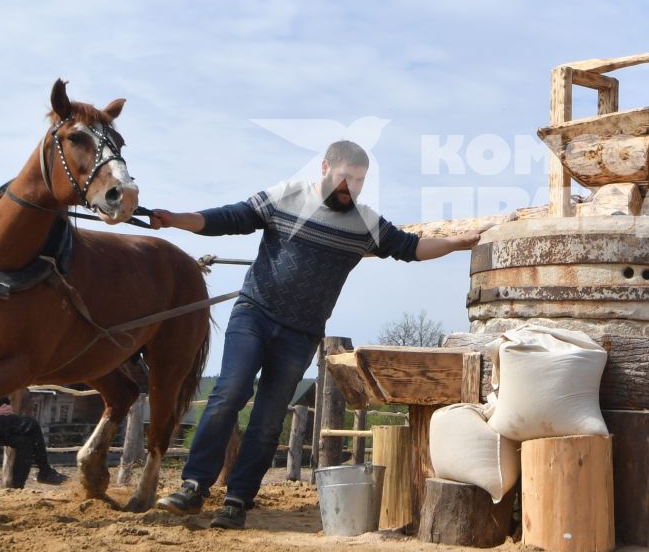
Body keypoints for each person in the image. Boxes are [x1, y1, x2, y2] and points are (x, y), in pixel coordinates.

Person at [148, 140, 486, 529]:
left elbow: (411, 247)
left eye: (359, 181)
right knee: (230, 392)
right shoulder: (285, 197)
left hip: (301, 334)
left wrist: (461, 242)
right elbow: (229, 218)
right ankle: (193, 485)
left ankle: (238, 499)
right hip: (254, 314)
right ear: (325, 167)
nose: (350, 187)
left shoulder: (365, 224)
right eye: (346, 178)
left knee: (269, 418)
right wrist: (174, 218)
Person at [0, 398, 67, 489]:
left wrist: (6, 408)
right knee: (31, 424)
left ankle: (17, 487)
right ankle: (45, 470)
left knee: (24, 441)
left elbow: (1, 401)